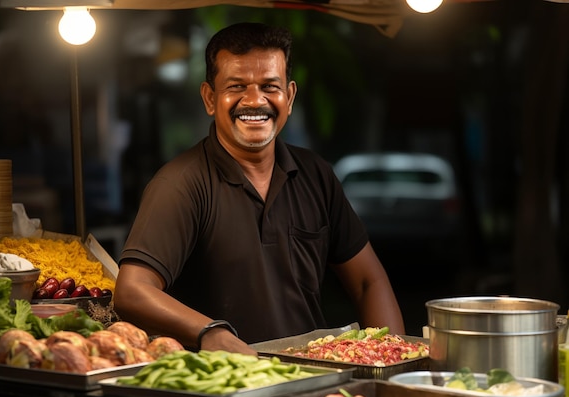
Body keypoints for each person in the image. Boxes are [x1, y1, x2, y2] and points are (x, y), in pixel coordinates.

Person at [113, 22, 405, 356]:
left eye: (270, 86)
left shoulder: (316, 174)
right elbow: (132, 291)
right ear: (210, 98)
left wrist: (391, 364)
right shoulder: (180, 184)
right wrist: (208, 332)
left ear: (290, 96)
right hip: (224, 390)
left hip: (313, 381)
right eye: (236, 86)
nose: (254, 100)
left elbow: (370, 282)